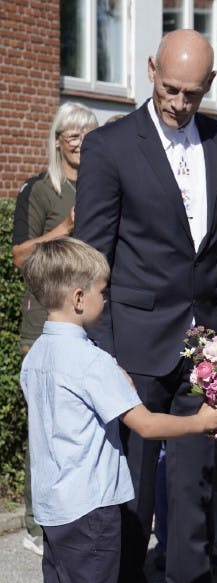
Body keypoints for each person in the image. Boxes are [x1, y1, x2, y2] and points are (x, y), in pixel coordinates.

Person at [74, 29, 217, 583]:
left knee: (194, 492)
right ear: (150, 70)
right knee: (132, 497)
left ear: (209, 85)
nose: (179, 102)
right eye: (169, 88)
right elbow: (93, 258)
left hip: (208, 353)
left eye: (192, 92)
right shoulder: (110, 146)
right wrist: (102, 356)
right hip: (134, 351)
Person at [20, 237, 217, 583]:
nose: (106, 298)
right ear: (79, 298)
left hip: (52, 502)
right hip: (90, 504)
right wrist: (200, 421)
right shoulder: (92, 361)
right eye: (102, 290)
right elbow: (146, 425)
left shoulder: (37, 356)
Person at [12, 102, 98, 557]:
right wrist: (63, 229)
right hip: (44, 325)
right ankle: (36, 524)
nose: (81, 141)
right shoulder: (41, 190)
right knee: (47, 425)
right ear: (58, 140)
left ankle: (79, 517)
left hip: (94, 322)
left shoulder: (106, 186)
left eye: (88, 133)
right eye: (73, 134)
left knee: (85, 426)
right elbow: (20, 257)